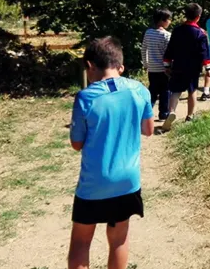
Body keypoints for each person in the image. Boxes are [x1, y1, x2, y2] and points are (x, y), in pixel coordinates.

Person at [68, 37, 154, 269]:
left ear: (89, 66)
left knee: (81, 241)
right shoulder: (139, 89)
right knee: (118, 240)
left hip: (94, 183)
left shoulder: (86, 97)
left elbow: (77, 144)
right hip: (127, 181)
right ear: (121, 66)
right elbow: (148, 130)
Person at [162, 3, 210, 129]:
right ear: (198, 17)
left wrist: (167, 64)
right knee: (192, 91)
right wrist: (208, 67)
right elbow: (204, 51)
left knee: (175, 90)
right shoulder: (200, 33)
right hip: (193, 67)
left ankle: (171, 111)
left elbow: (170, 48)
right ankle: (190, 116)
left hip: (178, 65)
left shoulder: (177, 30)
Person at [140, 9, 172, 120]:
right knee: (165, 92)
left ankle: (146, 113)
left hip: (152, 69)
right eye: (169, 19)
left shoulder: (148, 33)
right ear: (163, 21)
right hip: (164, 70)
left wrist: (145, 63)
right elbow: (169, 53)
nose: (170, 22)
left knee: (152, 92)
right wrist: (169, 67)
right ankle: (163, 114)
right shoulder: (167, 35)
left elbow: (144, 49)